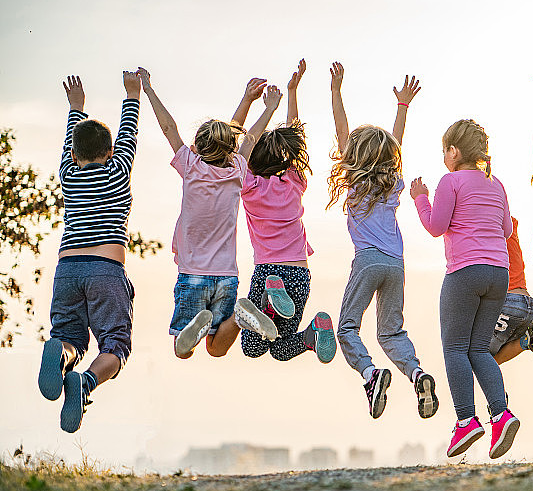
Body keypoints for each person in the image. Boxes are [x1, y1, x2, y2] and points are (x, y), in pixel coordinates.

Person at [137, 67, 279, 360]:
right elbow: (249, 136)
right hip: (226, 276)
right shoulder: (237, 169)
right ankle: (239, 316)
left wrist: (149, 90)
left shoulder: (191, 166)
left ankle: (197, 327)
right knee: (216, 349)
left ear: (197, 147)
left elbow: (168, 128)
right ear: (230, 148)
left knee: (182, 351)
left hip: (193, 276)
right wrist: (267, 108)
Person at [328, 62, 438, 420]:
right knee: (390, 332)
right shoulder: (393, 181)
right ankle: (417, 374)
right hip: (396, 264)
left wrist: (336, 91)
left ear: (354, 157)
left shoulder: (355, 182)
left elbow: (342, 130)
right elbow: (397, 143)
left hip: (368, 260)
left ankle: (370, 374)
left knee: (347, 327)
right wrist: (402, 107)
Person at [38, 72, 141, 433]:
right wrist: (132, 94)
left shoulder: (68, 174)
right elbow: (128, 134)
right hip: (106, 268)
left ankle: (62, 354)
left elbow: (73, 143)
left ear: (74, 154)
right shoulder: (118, 172)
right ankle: (86, 383)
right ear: (111, 153)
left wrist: (75, 106)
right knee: (115, 345)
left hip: (67, 269)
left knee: (69, 336)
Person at [412, 119, 520, 460]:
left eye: (445, 149)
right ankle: (501, 414)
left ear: (454, 151)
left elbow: (435, 226)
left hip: (464, 273)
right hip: (498, 274)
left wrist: (420, 198)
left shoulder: (450, 181)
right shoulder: (496, 183)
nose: (444, 156)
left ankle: (466, 420)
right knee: (479, 350)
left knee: (455, 349)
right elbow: (505, 230)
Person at [230, 60, 336, 364]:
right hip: (300, 272)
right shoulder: (294, 181)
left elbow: (241, 150)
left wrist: (267, 109)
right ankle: (312, 331)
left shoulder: (250, 186)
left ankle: (266, 302)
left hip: (268, 272)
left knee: (253, 348)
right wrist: (292, 91)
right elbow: (296, 136)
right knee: (280, 348)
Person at [491, 216, 533, 369]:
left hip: (508, 303)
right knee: (490, 359)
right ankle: (526, 340)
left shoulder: (488, 223)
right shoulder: (509, 223)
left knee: (475, 356)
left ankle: (497, 394)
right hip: (527, 306)